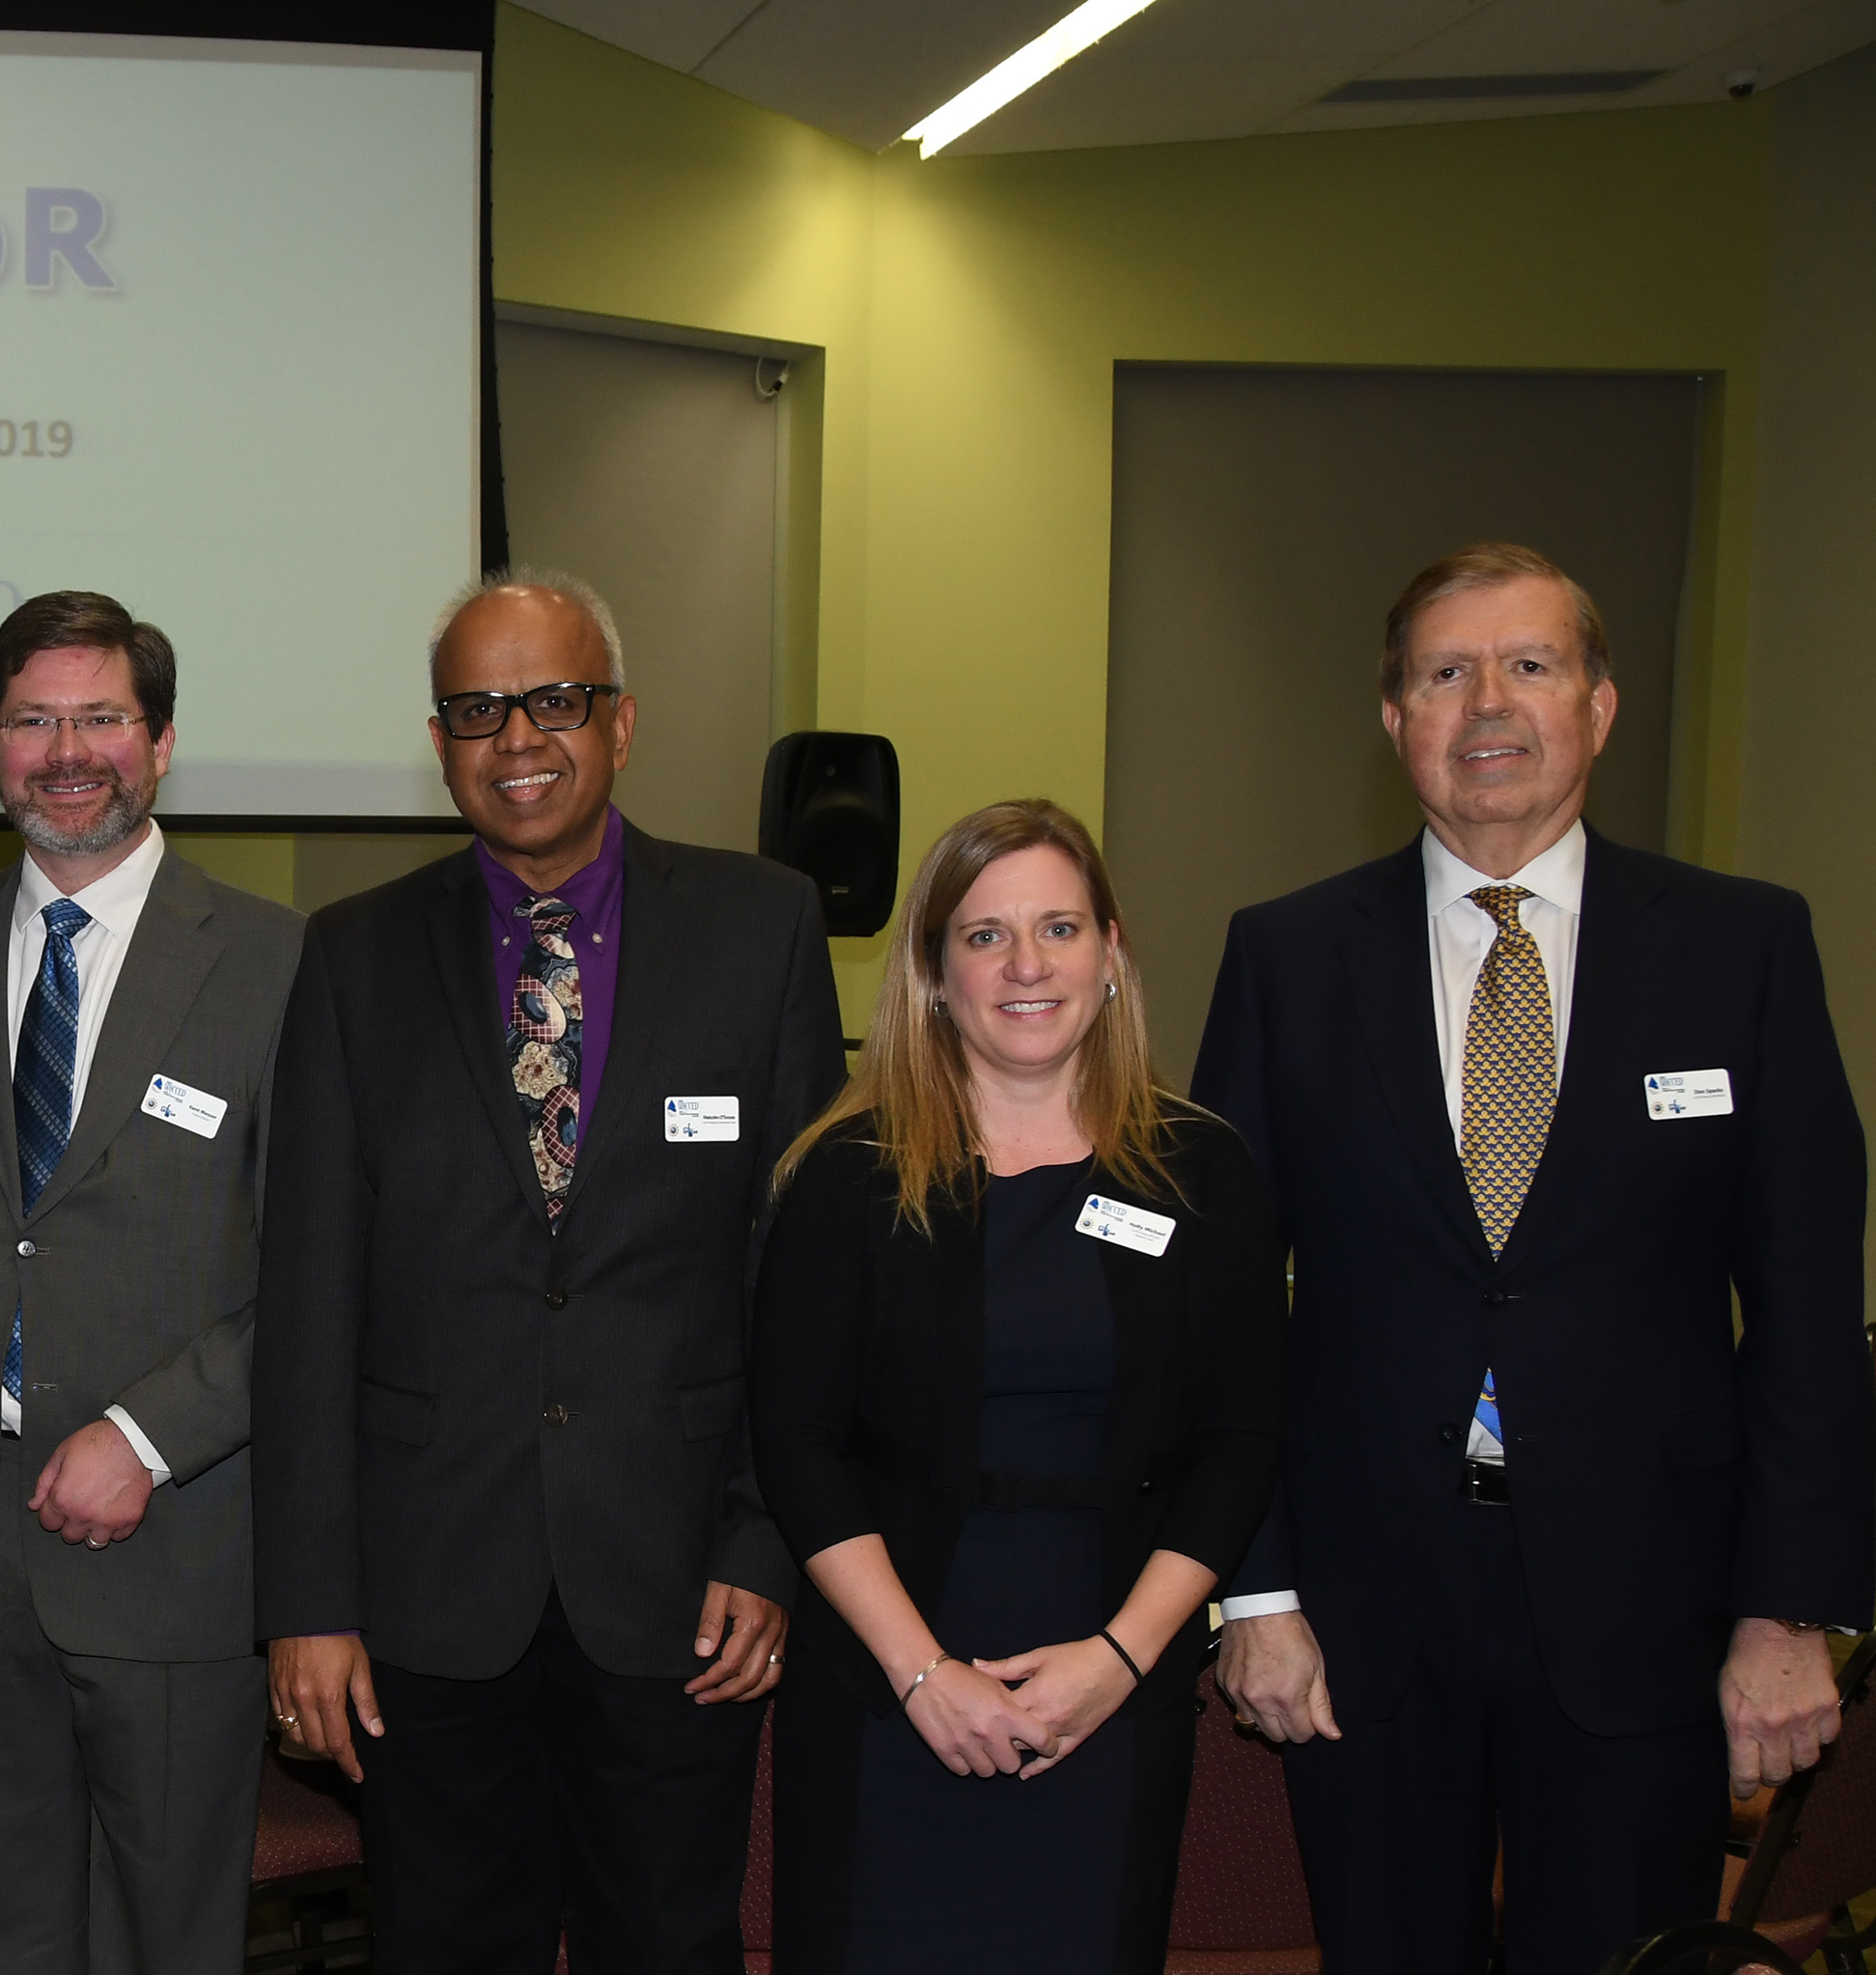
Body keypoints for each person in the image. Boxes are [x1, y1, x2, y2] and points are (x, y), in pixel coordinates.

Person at [1195, 542, 1871, 1975]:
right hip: (1367, 1610)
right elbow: (1229, 1307)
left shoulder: (1745, 948)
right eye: (1445, 671)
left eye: (1530, 663)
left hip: (1649, 1593)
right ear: (1395, 722)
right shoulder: (1288, 955)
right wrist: (1253, 1595)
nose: (1486, 701)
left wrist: (1787, 1604)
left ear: (1601, 705)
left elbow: (1810, 1304)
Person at [256, 570, 844, 1971]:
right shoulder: (346, 957)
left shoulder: (760, 931)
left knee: (667, 1939)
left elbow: (801, 1278)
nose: (517, 736)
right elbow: (306, 1296)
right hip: (425, 1594)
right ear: (441, 739)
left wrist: (767, 1543)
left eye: (554, 699)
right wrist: (309, 1604)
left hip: (680, 1585)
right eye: (476, 709)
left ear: (622, 722)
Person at [747, 798, 1285, 1973]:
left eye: (1058, 928)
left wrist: (1126, 1660)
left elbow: (1240, 1439)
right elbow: (794, 1440)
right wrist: (923, 1674)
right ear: (934, 974)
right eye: (985, 936)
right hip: (891, 1686)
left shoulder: (1203, 1170)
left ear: (1111, 953)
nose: (1026, 965)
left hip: (1111, 1686)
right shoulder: (848, 1174)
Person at [0, 592, 307, 1973]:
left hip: (176, 1544)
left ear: (161, 741)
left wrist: (149, 1432)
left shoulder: (282, 962)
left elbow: (319, 1268)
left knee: (170, 1939)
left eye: (100, 716)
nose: (68, 749)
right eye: (33, 720)